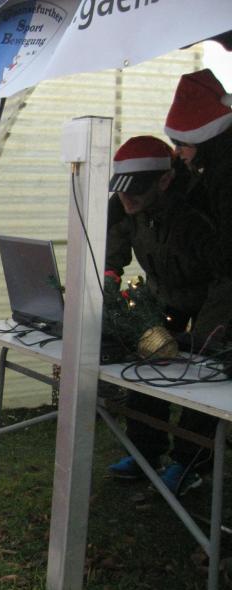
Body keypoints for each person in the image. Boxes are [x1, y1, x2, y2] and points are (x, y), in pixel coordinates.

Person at [104, 136, 217, 495]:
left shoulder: (197, 214)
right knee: (146, 362)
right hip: (164, 295)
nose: (126, 198)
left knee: (203, 376)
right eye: (121, 189)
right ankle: (144, 453)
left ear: (165, 181)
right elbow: (112, 249)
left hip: (213, 299)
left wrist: (203, 337)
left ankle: (189, 463)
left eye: (136, 190)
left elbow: (224, 275)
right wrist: (107, 283)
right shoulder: (127, 205)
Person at [163, 68, 232, 347]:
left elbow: (227, 257)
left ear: (204, 137)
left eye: (181, 143)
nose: (177, 152)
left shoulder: (224, 177)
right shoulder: (214, 168)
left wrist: (191, 232)